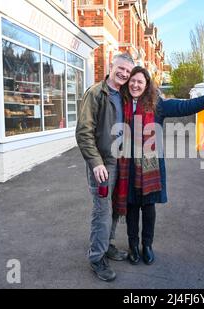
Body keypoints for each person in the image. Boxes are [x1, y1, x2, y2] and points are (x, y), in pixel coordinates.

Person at [117, 66, 204, 265]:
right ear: (128, 82)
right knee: (132, 206)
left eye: (140, 82)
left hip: (150, 165)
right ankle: (133, 245)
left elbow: (183, 107)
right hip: (127, 164)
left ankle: (147, 245)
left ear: (147, 84)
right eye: (132, 81)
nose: (135, 85)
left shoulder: (156, 104)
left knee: (148, 207)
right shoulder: (120, 102)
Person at [76, 53, 135, 282]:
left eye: (128, 71)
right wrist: (96, 162)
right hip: (102, 164)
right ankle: (96, 257)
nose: (124, 74)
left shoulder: (124, 95)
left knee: (115, 206)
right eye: (121, 68)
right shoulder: (95, 93)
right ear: (111, 66)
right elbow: (83, 132)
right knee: (102, 211)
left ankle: (106, 244)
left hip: (120, 161)